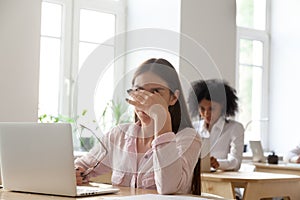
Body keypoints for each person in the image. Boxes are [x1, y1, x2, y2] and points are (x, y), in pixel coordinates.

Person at [75, 58, 202, 195]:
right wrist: (75, 173)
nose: (146, 99)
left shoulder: (188, 138)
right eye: (139, 91)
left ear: (173, 98)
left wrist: (161, 117)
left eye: (155, 92)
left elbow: (168, 187)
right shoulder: (119, 135)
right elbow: (82, 167)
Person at [188, 79, 244, 171]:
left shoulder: (235, 128)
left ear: (222, 106)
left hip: (223, 182)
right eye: (202, 108)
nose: (206, 114)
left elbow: (236, 162)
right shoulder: (193, 128)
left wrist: (217, 163)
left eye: (212, 109)